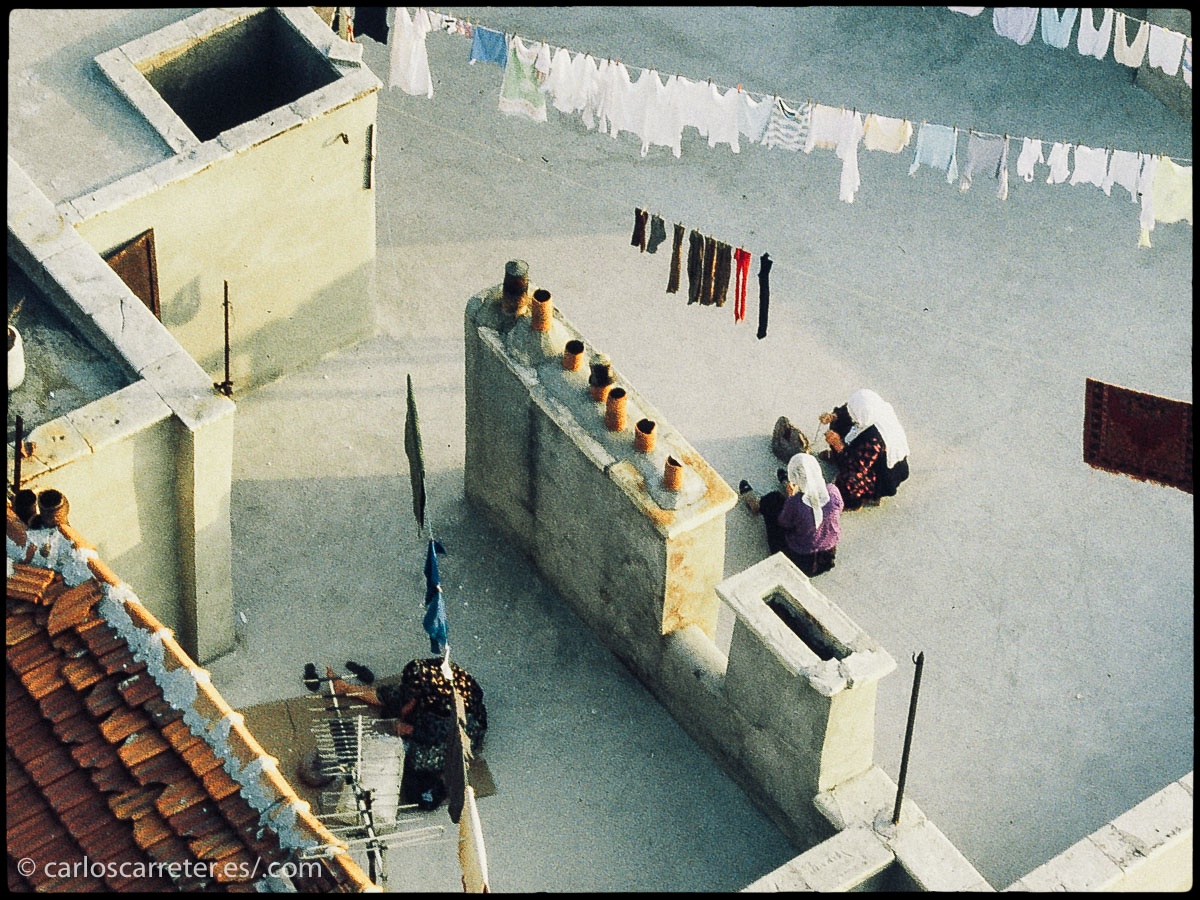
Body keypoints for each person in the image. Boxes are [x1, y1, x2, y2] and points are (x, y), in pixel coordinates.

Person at [739, 452, 843, 577]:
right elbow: (838, 508)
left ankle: (756, 505)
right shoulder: (833, 491)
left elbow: (784, 522)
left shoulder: (795, 503)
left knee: (773, 499)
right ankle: (794, 487)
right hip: (826, 559)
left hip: (798, 561)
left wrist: (791, 497)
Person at [818, 388, 910, 510]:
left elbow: (855, 465)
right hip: (866, 455)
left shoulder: (874, 440)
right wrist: (833, 416)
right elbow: (847, 412)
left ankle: (854, 501)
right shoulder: (870, 411)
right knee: (838, 425)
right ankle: (837, 456)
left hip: (881, 474)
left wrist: (838, 445)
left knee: (848, 480)